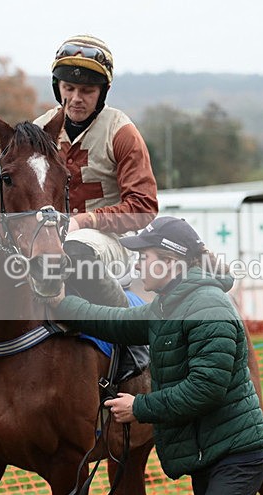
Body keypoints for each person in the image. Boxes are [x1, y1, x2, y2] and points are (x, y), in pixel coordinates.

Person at [50, 216, 263, 495]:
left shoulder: (208, 308)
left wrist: (138, 407)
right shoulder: (170, 305)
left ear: (169, 262)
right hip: (212, 451)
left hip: (236, 456)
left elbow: (205, 388)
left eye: (145, 257)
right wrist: (63, 305)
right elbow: (116, 321)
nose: (139, 266)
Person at [34, 34, 158, 307]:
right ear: (58, 87)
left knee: (75, 250)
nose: (76, 98)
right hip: (47, 237)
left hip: (109, 242)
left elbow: (144, 207)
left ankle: (129, 335)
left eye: (87, 91)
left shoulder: (121, 132)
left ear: (103, 91)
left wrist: (86, 220)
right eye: (68, 88)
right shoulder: (39, 131)